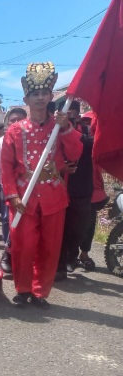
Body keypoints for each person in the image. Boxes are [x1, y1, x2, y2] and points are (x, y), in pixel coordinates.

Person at [1, 62, 83, 308]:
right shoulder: (15, 130)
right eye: (34, 94)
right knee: (24, 244)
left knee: (50, 245)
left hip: (52, 194)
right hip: (24, 195)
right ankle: (23, 288)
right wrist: (11, 195)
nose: (39, 98)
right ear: (26, 97)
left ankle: (40, 291)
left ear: (51, 95)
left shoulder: (60, 126)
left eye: (44, 93)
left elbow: (76, 152)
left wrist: (67, 127)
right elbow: (6, 166)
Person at [55, 100, 91, 280]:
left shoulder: (86, 130)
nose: (69, 114)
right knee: (59, 228)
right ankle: (60, 264)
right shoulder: (53, 131)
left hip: (81, 187)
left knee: (78, 228)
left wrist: (69, 131)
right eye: (65, 111)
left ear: (77, 113)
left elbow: (88, 147)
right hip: (60, 185)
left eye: (72, 111)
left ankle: (72, 254)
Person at [0, 107, 28, 273]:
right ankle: (8, 253)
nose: (16, 123)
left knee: (28, 220)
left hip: (29, 187)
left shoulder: (32, 139)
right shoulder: (0, 142)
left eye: (20, 119)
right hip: (5, 186)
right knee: (8, 219)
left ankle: (25, 255)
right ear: (7, 123)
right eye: (13, 120)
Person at [77, 111, 108, 270]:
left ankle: (84, 253)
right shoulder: (77, 139)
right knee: (74, 224)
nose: (87, 126)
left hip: (94, 190)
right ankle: (71, 253)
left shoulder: (99, 142)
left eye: (90, 123)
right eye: (85, 123)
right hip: (77, 189)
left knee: (89, 225)